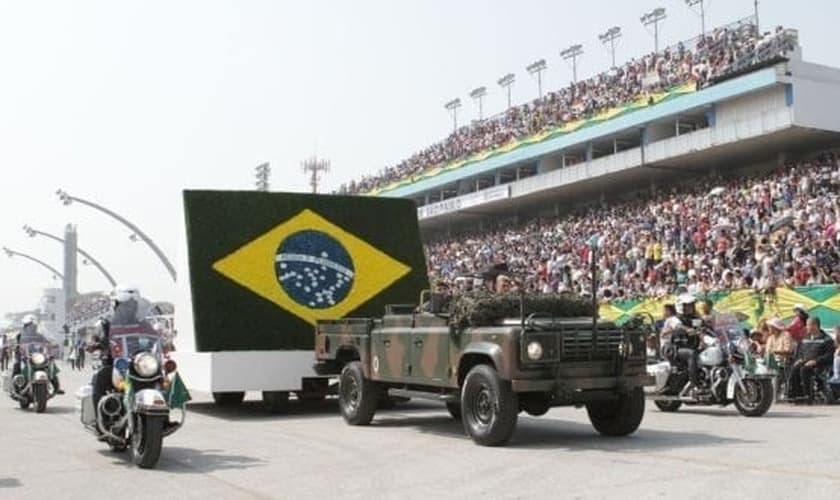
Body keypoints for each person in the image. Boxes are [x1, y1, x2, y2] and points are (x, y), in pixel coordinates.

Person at [90, 285, 146, 415]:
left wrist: (166, 343)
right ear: (115, 305)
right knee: (100, 379)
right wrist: (94, 344)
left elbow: (155, 337)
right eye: (125, 305)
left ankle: (162, 418)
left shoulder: (142, 323)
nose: (129, 308)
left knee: (159, 377)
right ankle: (100, 419)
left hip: (138, 364)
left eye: (132, 304)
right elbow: (93, 338)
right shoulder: (105, 324)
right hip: (114, 364)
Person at [12, 314, 64, 394]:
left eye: (33, 325)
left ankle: (56, 387)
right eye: (29, 325)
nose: (32, 327)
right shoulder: (20, 335)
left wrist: (53, 346)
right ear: (25, 326)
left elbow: (48, 342)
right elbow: (17, 344)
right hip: (24, 356)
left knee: (51, 365)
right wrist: (16, 347)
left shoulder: (40, 335)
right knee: (16, 365)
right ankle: (15, 387)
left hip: (37, 356)